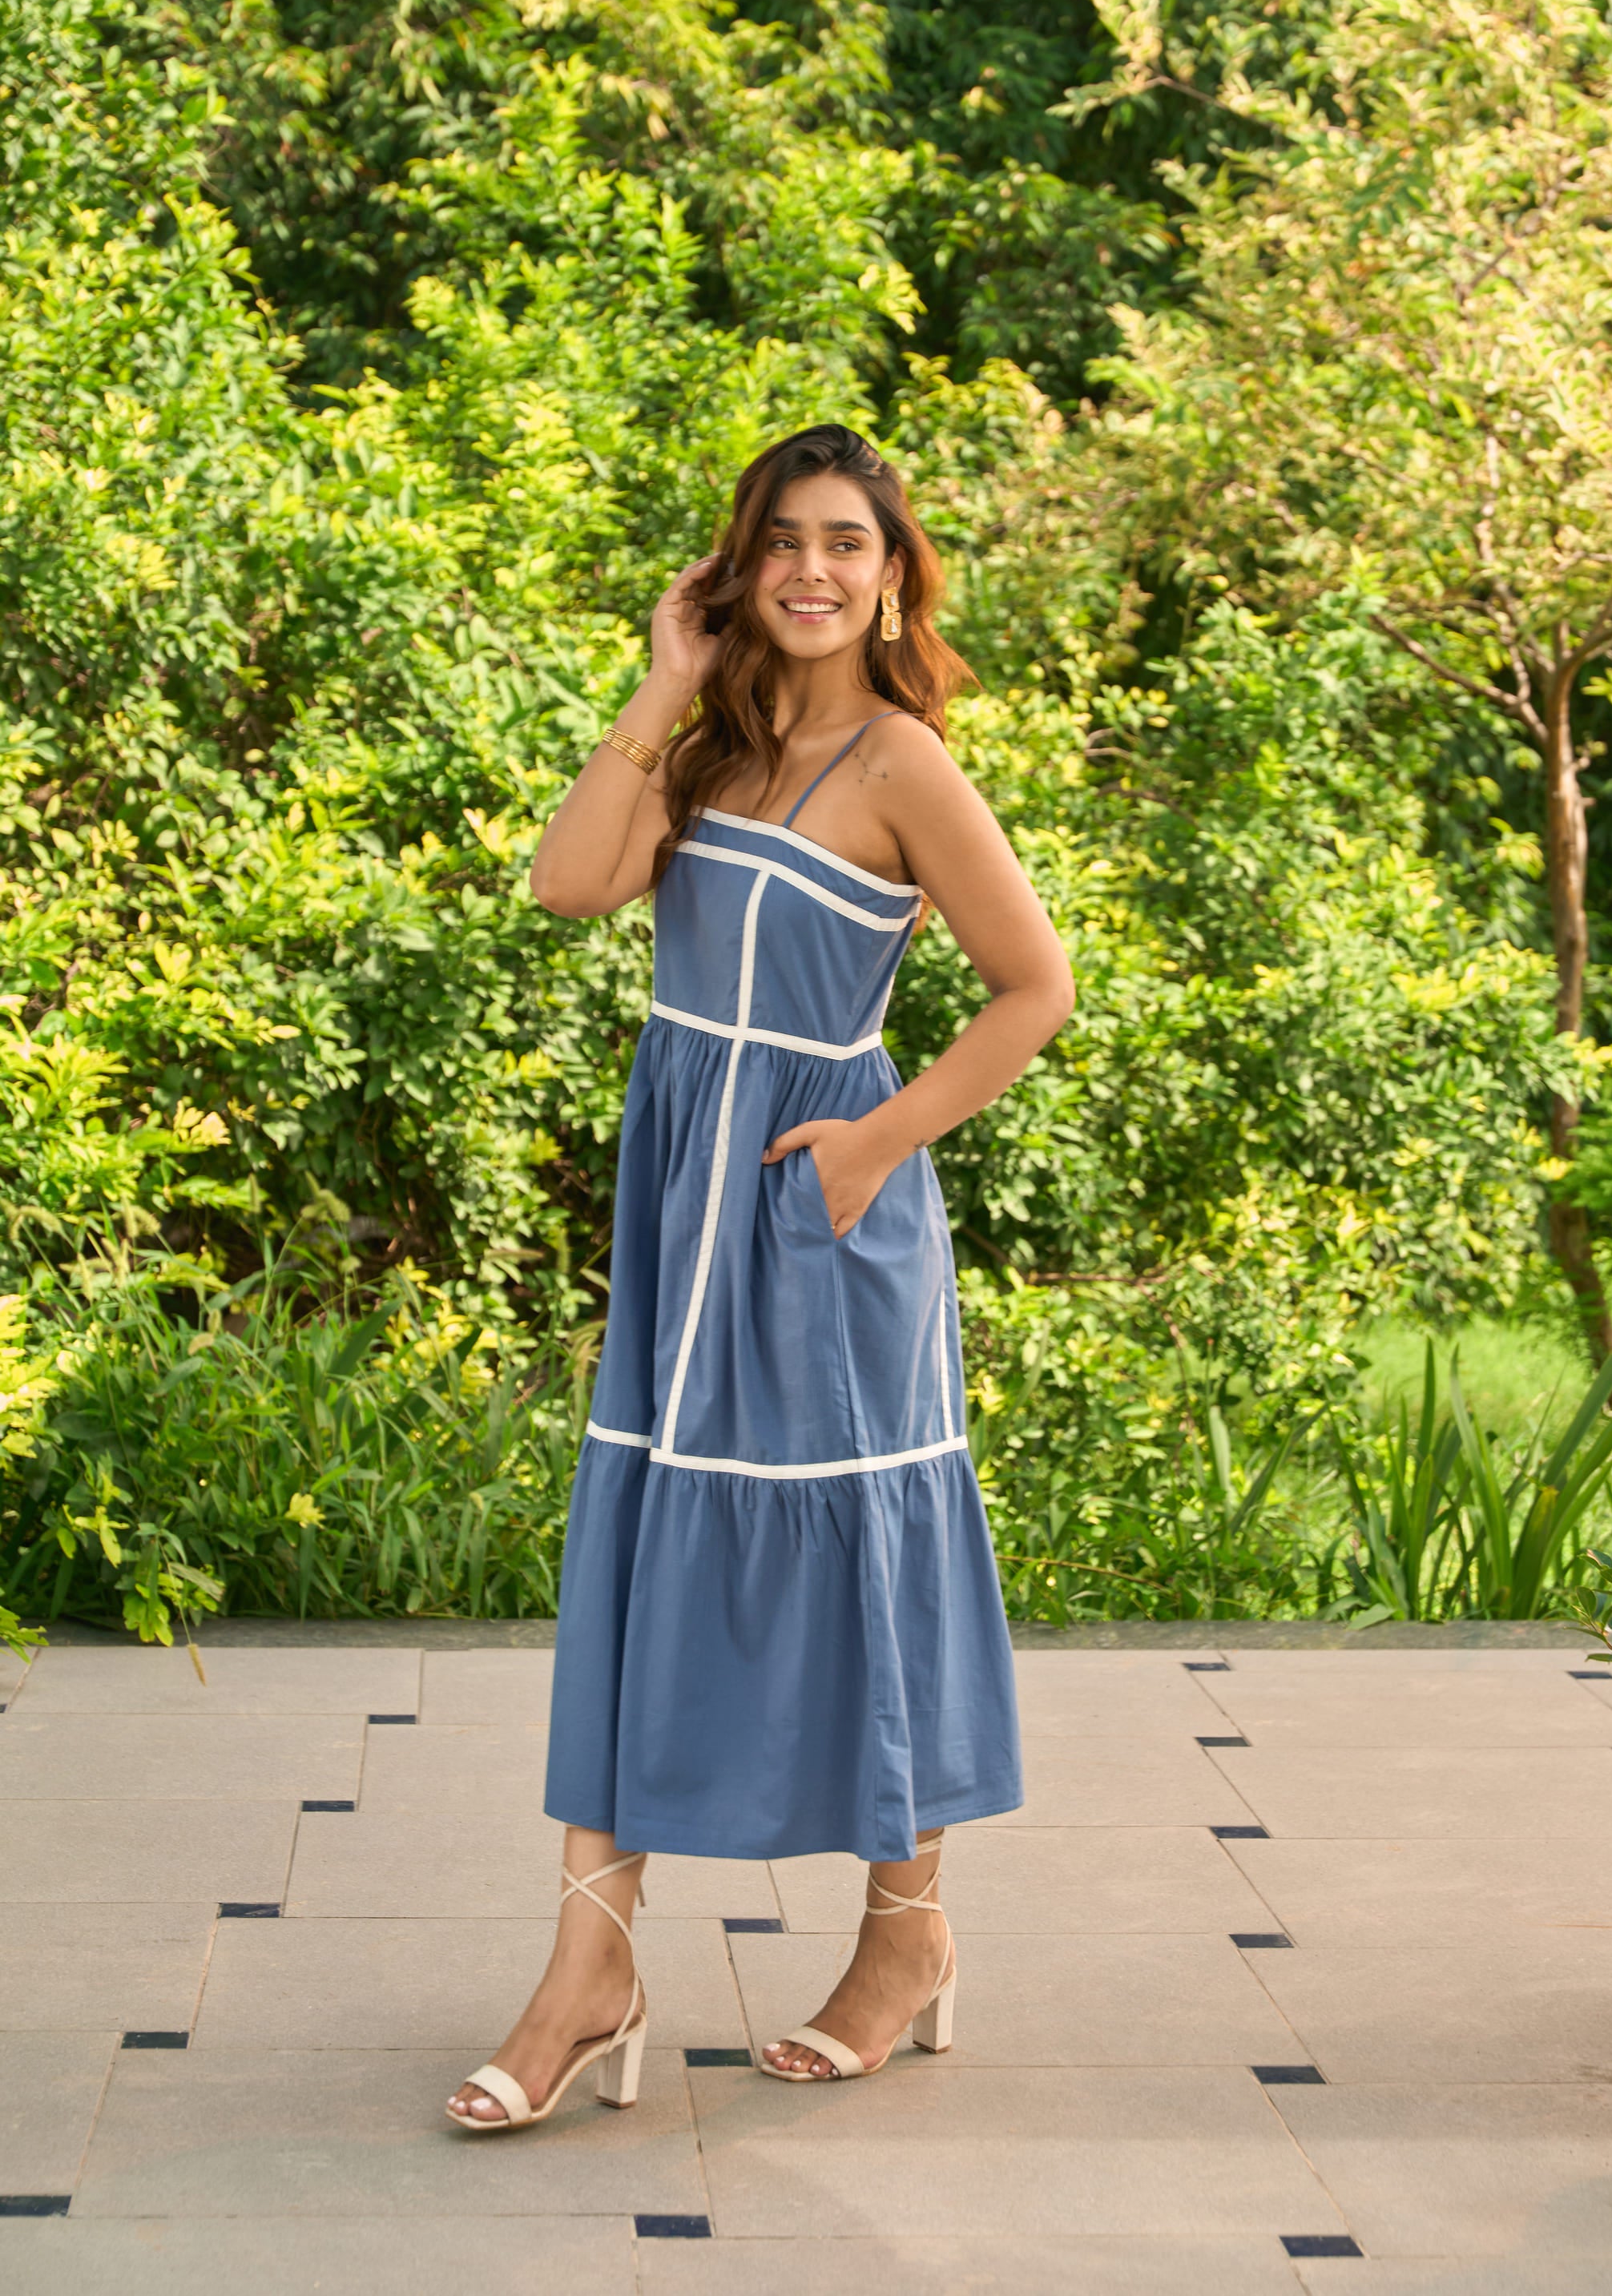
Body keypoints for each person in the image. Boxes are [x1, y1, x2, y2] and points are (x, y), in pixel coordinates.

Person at [448, 423, 1074, 2129]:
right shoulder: (709, 749)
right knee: (651, 1542)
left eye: (846, 544)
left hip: (821, 1207)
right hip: (683, 1200)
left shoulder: (902, 764)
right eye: (783, 540)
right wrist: (664, 681)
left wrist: (878, 1143)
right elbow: (568, 885)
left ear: (891, 576)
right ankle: (590, 1970)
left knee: (861, 1553)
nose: (812, 570)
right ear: (740, 564)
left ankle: (904, 1938)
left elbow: (1034, 986)